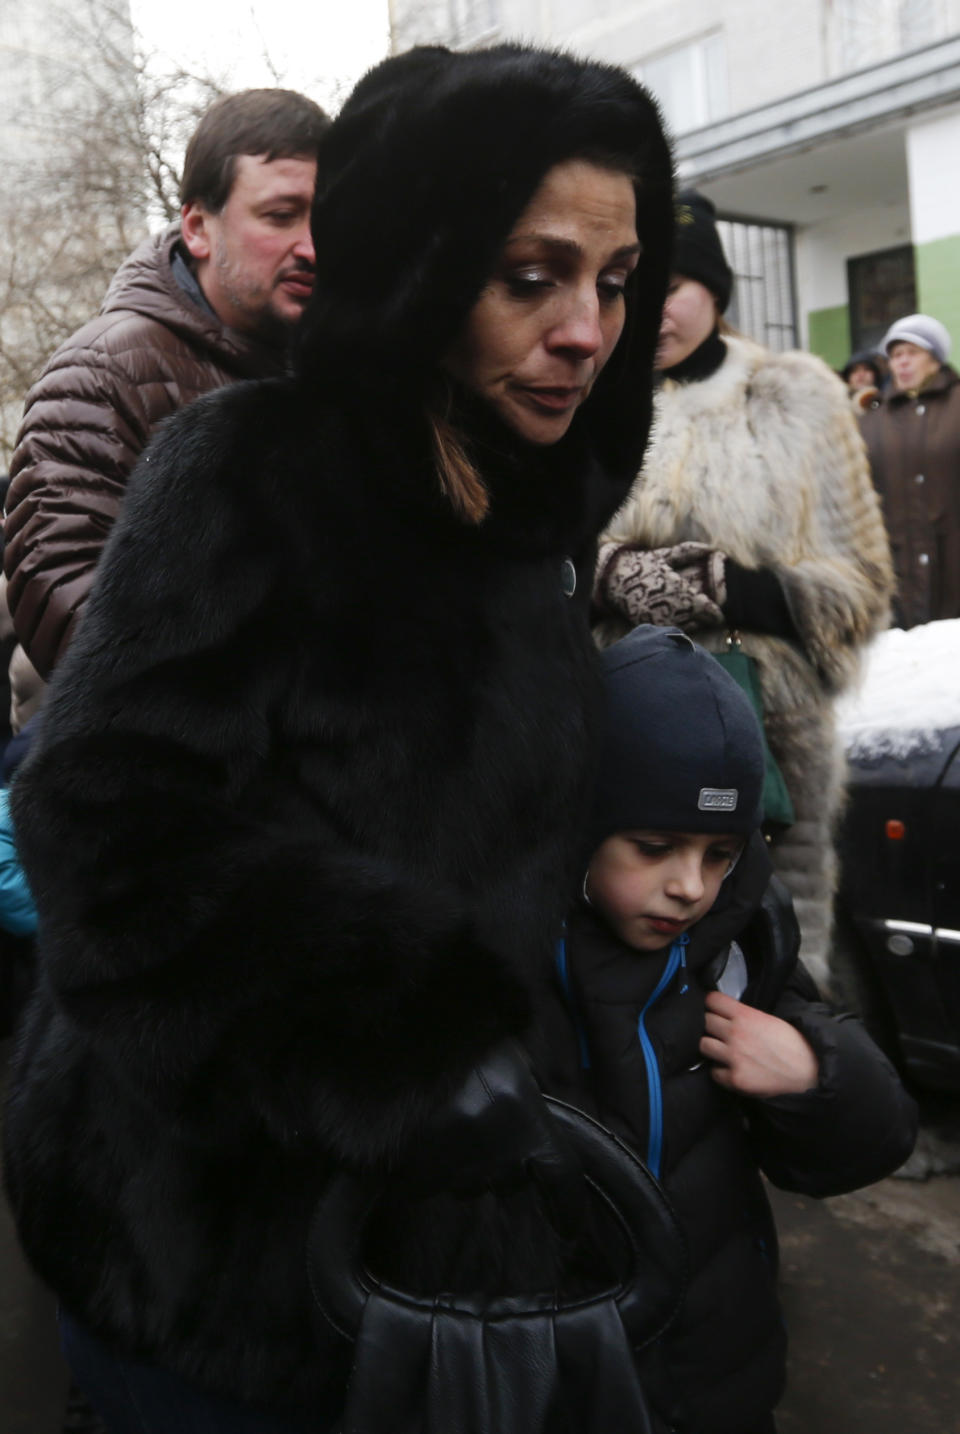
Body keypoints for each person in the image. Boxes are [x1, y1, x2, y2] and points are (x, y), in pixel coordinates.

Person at [2, 44, 674, 1434]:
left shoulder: (529, 528)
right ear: (423, 271)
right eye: (530, 275)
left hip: (419, 1268)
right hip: (201, 1258)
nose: (587, 332)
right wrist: (398, 1044)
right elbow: (107, 825)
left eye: (613, 280)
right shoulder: (245, 476)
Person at [533, 624, 917, 1434]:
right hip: (555, 1386)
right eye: (654, 846)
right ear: (577, 820)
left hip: (719, 1381)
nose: (689, 887)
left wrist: (818, 1073)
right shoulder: (508, 958)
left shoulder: (739, 947)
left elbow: (875, 1140)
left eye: (719, 853)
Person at [592, 189, 894, 990]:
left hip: (769, 738)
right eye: (635, 286)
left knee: (766, 966)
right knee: (620, 972)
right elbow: (532, 550)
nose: (655, 310)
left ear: (716, 293)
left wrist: (729, 585)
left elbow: (861, 586)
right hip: (616, 729)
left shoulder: (794, 397)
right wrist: (614, 574)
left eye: (677, 286)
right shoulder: (584, 392)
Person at [2, 86, 330, 723]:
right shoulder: (100, 374)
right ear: (198, 228)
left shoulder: (352, 369)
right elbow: (62, 594)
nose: (314, 246)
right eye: (281, 215)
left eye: (327, 217)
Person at [859, 313, 960, 627]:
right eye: (896, 355)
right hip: (897, 568)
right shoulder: (873, 418)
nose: (902, 362)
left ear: (935, 359)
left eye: (912, 353)